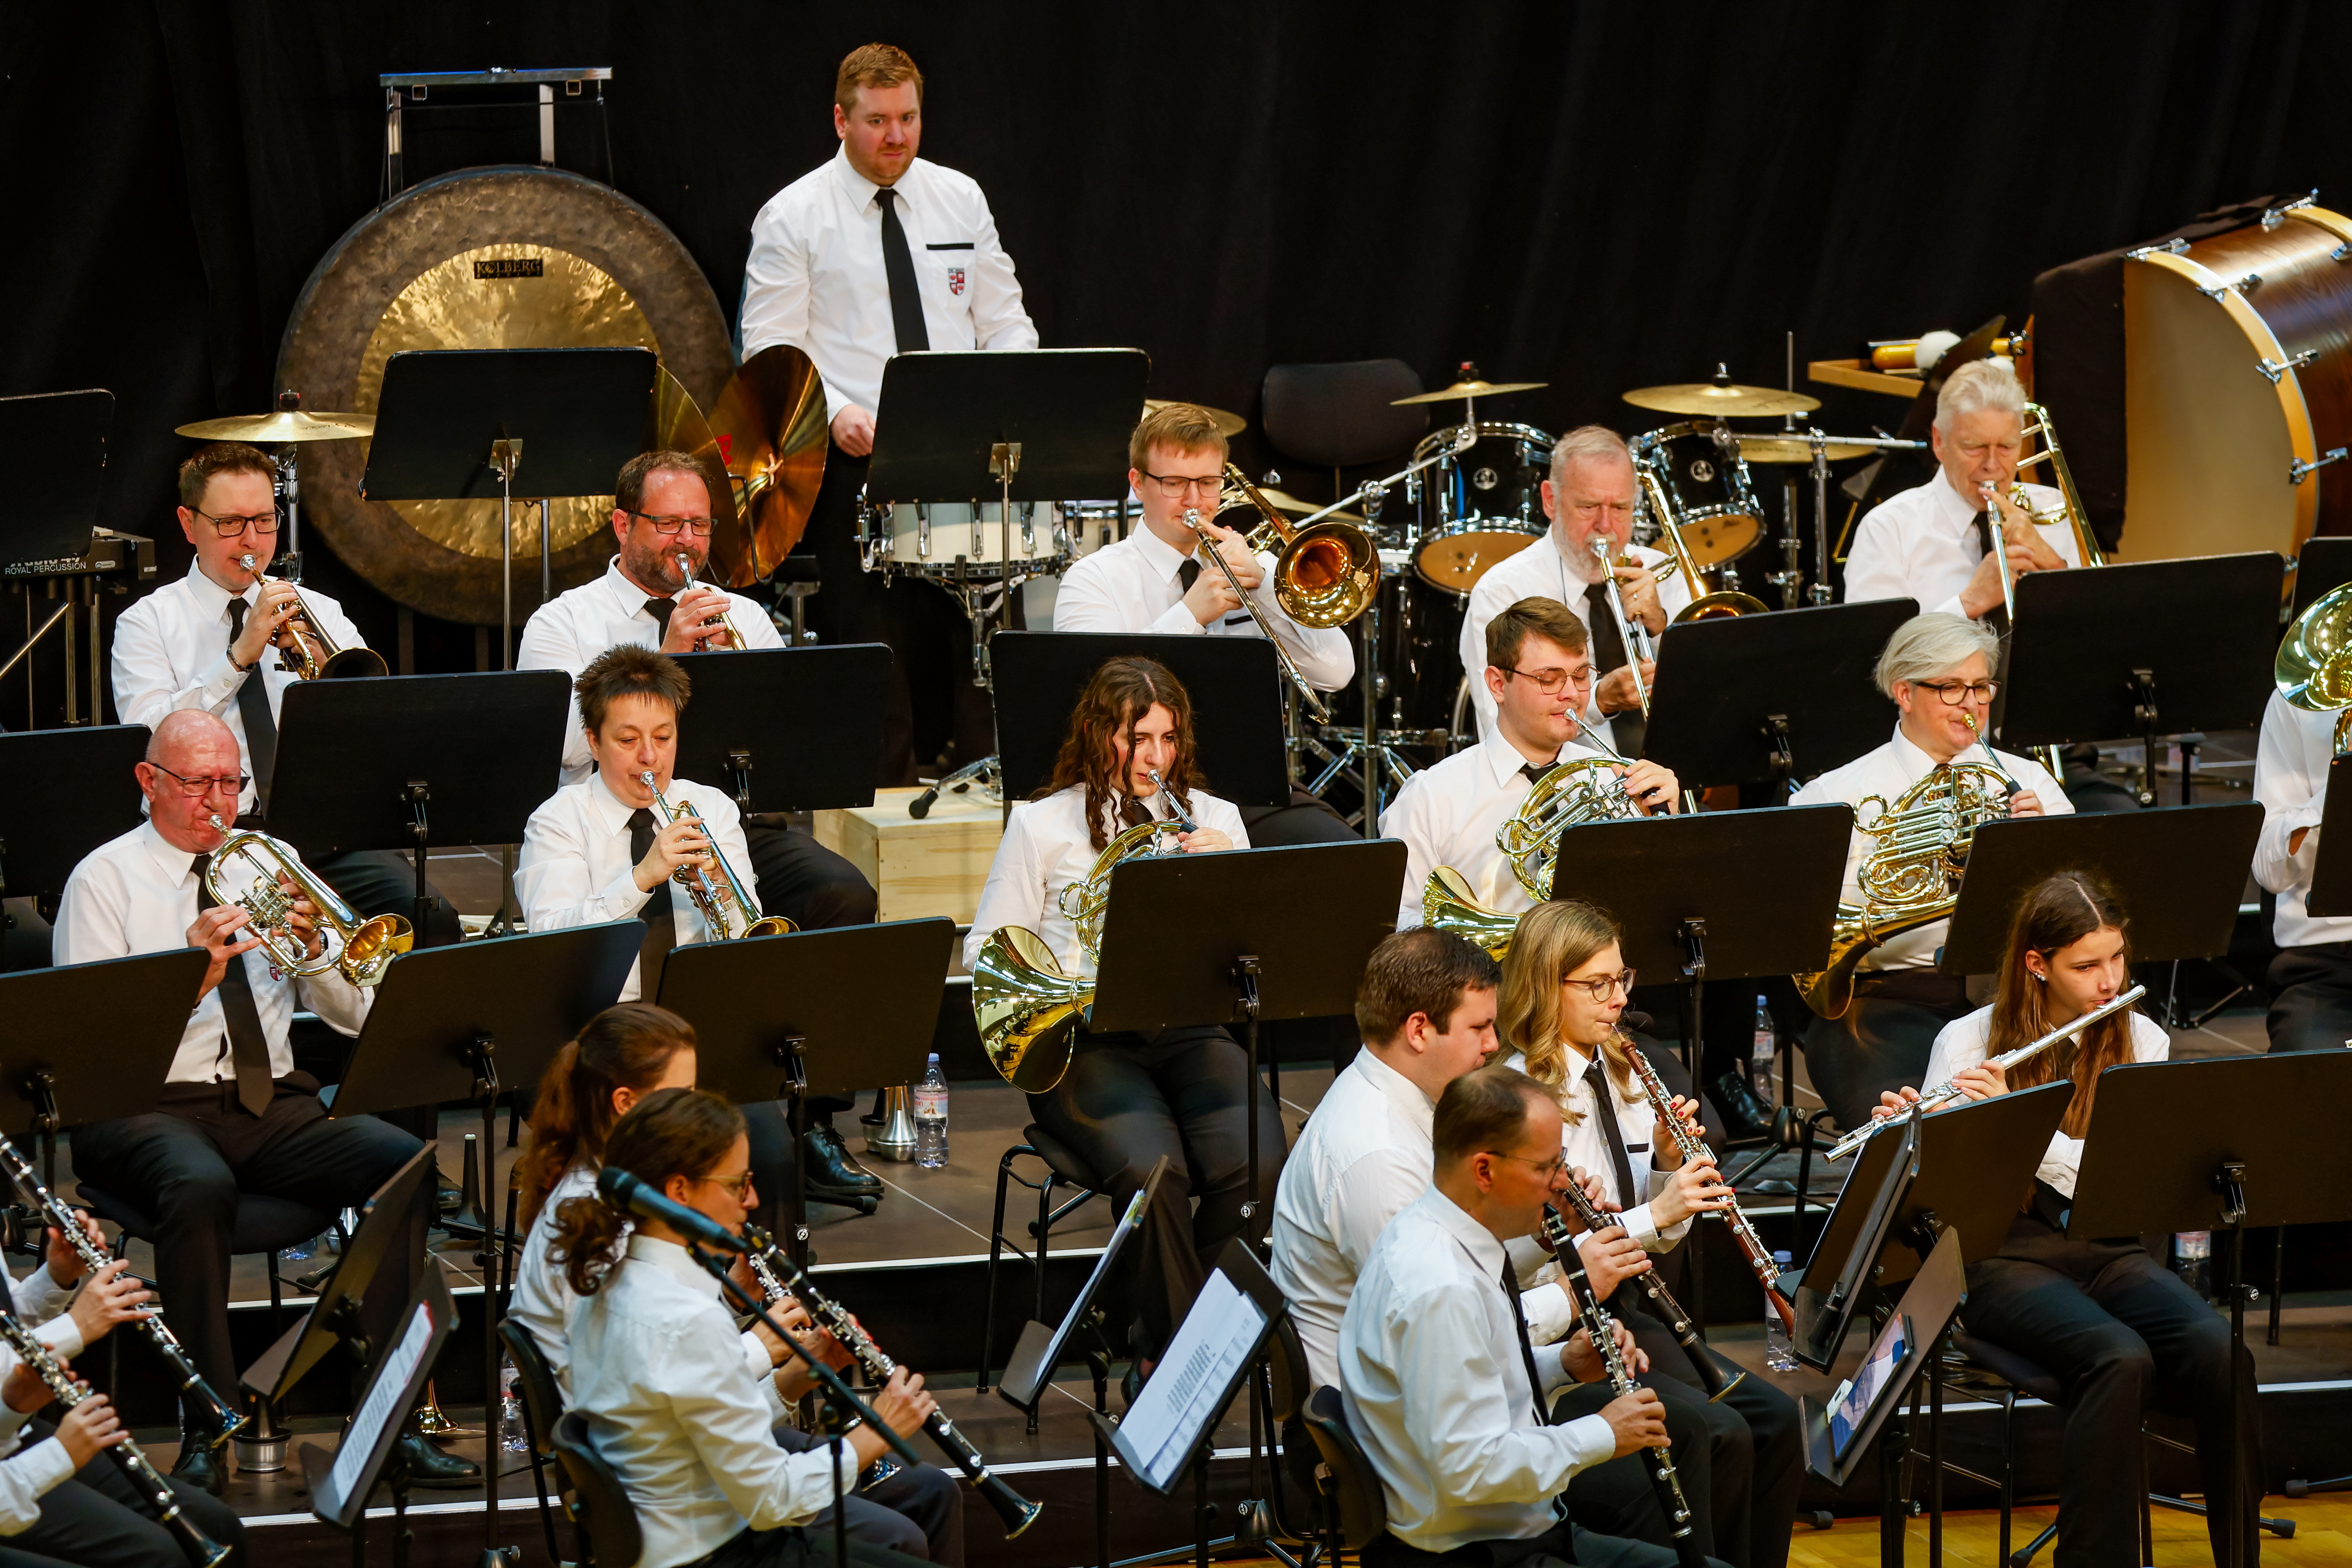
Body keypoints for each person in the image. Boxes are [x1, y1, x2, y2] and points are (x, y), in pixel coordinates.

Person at [53, 710, 469, 1495]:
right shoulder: (103, 879)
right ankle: (207, 1421)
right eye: (197, 783)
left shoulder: (272, 862)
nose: (218, 802)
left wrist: (317, 955)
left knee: (404, 1165)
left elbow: (357, 1017)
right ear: (148, 781)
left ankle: (389, 1417)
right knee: (198, 1184)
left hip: (269, 1102)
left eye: (231, 782)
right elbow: (88, 1049)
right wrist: (189, 978)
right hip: (145, 1105)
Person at [1269, 929, 1720, 1561]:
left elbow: (1466, 1335)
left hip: (1443, 1425)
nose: (1493, 1045)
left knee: (1693, 1433)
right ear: (1419, 1030)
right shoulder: (1377, 1158)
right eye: (1481, 1028)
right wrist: (1573, 1295)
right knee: (1686, 1447)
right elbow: (1448, 1332)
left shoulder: (1415, 1115)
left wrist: (1562, 1352)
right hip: (1416, 1480)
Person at [1867, 871, 2257, 1568]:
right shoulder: (1968, 1040)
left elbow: (2113, 1173)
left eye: (2118, 958)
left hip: (2106, 1250)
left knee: (2221, 1352)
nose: (2109, 981)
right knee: (2118, 1357)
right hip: (1998, 1257)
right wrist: (1910, 1134)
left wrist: (2020, 1123)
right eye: (2086, 966)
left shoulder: (2143, 1039)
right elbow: (1938, 1191)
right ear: (2037, 965)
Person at [510, 1006, 961, 1565]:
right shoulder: (608, 1237)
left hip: (684, 1463)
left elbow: (684, 1396)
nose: (751, 1201)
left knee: (930, 1492)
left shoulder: (638, 1228)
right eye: (735, 1185)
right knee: (899, 1537)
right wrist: (869, 1425)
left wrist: (787, 1373)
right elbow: (751, 1478)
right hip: (688, 1513)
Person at [964, 656, 1281, 1371]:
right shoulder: (1043, 824)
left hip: (1188, 1029)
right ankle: (1174, 1364)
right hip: (1084, 1043)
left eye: (1167, 739)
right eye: (1136, 740)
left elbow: (1249, 947)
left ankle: (1176, 1342)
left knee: (1259, 1162)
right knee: (1154, 1173)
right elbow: (988, 949)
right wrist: (1063, 983)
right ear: (1098, 734)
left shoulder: (1216, 821)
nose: (1154, 758)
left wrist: (1231, 874)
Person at [741, 42, 1038, 786]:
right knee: (877, 642)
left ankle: (1000, 786)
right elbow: (770, 350)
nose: (896, 136)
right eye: (878, 121)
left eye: (909, 118)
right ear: (841, 120)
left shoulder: (959, 197)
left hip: (964, 448)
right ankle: (883, 801)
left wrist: (1009, 395)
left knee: (987, 630)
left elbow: (1006, 321)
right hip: (856, 453)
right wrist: (835, 413)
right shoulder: (794, 216)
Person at [513, 646, 877, 1213]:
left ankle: (761, 1270)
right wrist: (641, 878)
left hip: (698, 1032)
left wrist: (719, 890)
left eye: (664, 737)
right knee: (636, 1163)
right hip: (599, 1034)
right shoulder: (558, 821)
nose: (650, 757)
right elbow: (553, 940)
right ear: (593, 742)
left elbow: (744, 937)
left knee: (771, 1156)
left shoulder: (709, 807)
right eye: (628, 740)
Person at [1499, 899, 1802, 1568]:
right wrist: (1658, 1212)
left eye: (1622, 979)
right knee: (1723, 1433)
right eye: (1597, 985)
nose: (1618, 1000)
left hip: (1633, 1305)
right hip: (1567, 1320)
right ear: (1546, 987)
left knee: (1779, 1422)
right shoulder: (1521, 1096)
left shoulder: (1626, 1069)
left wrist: (1668, 1168)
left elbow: (1655, 1236)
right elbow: (1545, 1251)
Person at [1338, 1065, 1724, 1568]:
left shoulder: (1444, 1234)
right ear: (1484, 1171)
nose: (1562, 1182)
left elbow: (1474, 1377)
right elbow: (1470, 1471)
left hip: (1514, 1531)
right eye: (1546, 1166)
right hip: (1479, 1554)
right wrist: (1605, 1432)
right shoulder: (1440, 1287)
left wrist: (1562, 1365)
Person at [111, 442, 462, 947]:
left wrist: (326, 680)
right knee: (244, 949)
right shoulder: (147, 622)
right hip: (214, 835)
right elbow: (149, 737)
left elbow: (378, 732)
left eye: (263, 520)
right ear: (189, 524)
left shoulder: (319, 610)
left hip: (322, 831)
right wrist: (238, 657)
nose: (251, 540)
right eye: (230, 523)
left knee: (431, 920)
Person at [515, 448, 877, 933]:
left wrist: (735, 684)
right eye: (669, 523)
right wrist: (666, 660)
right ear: (623, 525)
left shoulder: (743, 616)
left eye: (700, 525)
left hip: (730, 822)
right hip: (612, 825)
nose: (687, 540)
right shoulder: (561, 623)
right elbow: (560, 752)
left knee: (844, 894)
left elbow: (788, 745)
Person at [1790, 613, 2071, 1131]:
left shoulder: (2028, 782)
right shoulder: (1834, 796)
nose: (1972, 704)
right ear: (1905, 692)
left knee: (2083, 1109)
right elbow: (1808, 921)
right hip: (1886, 1004)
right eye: (1951, 688)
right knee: (1917, 1133)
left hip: (2018, 998)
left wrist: (2036, 849)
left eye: (1981, 687)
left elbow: (2078, 913)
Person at [1053, 403, 1359, 837]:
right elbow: (1092, 695)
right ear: (1138, 483)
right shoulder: (1093, 578)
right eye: (1175, 483)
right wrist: (1190, 614)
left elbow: (1337, 672)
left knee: (1342, 850)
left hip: (1244, 787)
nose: (1195, 501)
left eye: (1208, 483)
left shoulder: (1256, 568)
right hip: (1130, 791)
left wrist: (1265, 586)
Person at [1385, 597, 1679, 935]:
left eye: (1582, 675)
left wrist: (1664, 831)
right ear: (1498, 685)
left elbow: (1656, 908)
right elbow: (1395, 922)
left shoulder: (1617, 779)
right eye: (1549, 679)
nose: (1572, 694)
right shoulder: (1431, 796)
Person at [0, 1213, 243, 1568]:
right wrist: (76, 1327)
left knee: (219, 1526)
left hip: (12, 1429)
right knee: (162, 1558)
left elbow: (5, 1320)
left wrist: (53, 1279)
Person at [1458, 428, 1692, 756]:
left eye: (1620, 508)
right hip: (1568, 785)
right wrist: (1598, 700)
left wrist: (1660, 627)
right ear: (1550, 501)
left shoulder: (1661, 572)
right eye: (1588, 506)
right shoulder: (1503, 591)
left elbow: (1706, 696)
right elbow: (1503, 731)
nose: (1606, 526)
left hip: (1670, 772)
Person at [1842, 358, 2078, 625]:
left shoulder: (2052, 505)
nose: (1992, 465)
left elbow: (2098, 627)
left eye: (2006, 447)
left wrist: (2054, 565)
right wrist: (1969, 604)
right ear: (1939, 441)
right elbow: (1877, 647)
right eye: (1974, 447)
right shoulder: (1888, 529)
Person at [2251, 687, 2352, 1053]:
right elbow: (2270, 870)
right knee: (2309, 1076)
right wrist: (2342, 786)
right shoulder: (2298, 698)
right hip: (2329, 965)